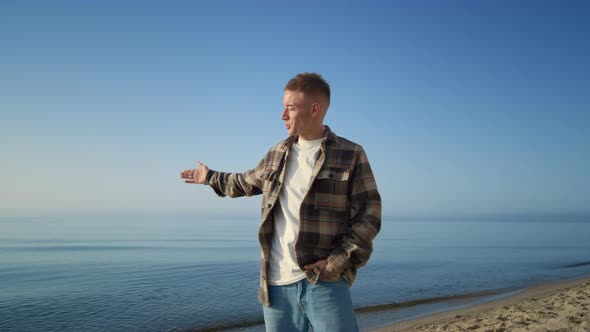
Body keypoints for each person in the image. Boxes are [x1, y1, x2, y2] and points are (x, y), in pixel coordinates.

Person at [180, 72, 381, 332]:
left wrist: (336, 263)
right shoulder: (277, 154)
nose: (282, 116)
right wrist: (209, 177)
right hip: (275, 287)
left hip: (324, 282)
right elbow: (245, 182)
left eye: (290, 108)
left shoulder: (350, 154)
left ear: (315, 110)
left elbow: (370, 214)